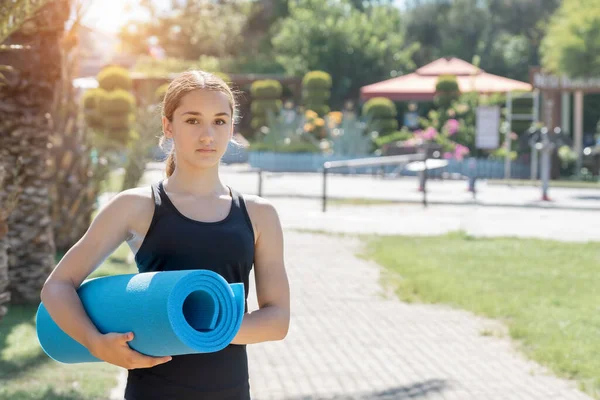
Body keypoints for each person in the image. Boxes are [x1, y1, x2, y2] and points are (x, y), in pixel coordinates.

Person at [40, 70, 291, 399]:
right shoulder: (136, 206)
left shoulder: (259, 214)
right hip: (153, 390)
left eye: (219, 121)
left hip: (229, 390)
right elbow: (57, 287)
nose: (207, 135)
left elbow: (278, 319)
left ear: (232, 128)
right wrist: (96, 343)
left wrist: (204, 327)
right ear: (168, 126)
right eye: (192, 121)